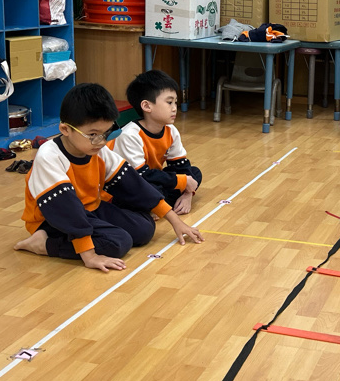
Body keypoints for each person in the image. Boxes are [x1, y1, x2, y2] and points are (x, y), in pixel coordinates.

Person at [14, 83, 202, 272]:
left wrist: (175, 221)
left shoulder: (97, 149)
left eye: (106, 134)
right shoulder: (49, 156)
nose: (102, 142)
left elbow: (132, 183)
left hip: (90, 209)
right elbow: (65, 208)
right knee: (119, 242)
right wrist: (89, 256)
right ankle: (44, 244)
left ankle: (81, 238)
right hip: (52, 219)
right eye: (93, 135)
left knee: (144, 229)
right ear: (65, 129)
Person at [110, 69, 201, 215]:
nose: (174, 108)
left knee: (194, 173)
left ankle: (156, 205)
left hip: (150, 179)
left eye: (175, 102)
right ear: (147, 106)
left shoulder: (170, 130)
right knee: (151, 189)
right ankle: (156, 205)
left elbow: (181, 166)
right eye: (169, 102)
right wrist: (183, 182)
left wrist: (188, 194)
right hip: (129, 184)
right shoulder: (130, 135)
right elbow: (140, 176)